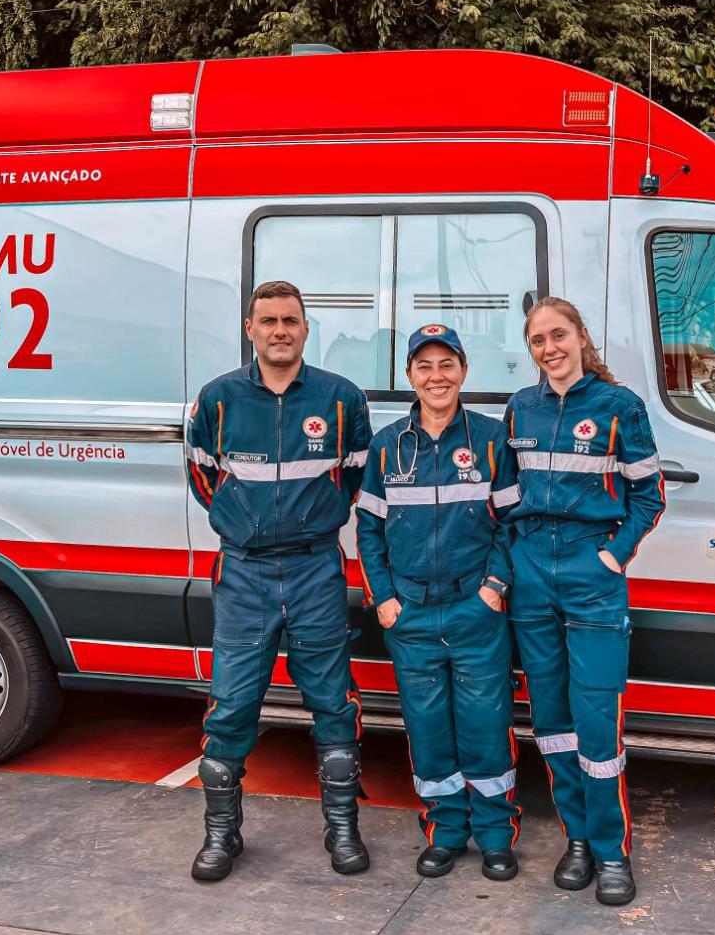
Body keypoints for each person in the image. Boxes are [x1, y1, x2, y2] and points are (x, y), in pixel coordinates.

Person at [184, 280, 373, 882]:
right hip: (245, 571)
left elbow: (352, 479)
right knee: (232, 703)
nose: (279, 331)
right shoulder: (217, 400)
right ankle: (221, 835)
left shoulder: (342, 399)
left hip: (317, 567)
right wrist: (245, 522)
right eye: (267, 321)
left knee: (332, 703)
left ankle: (342, 830)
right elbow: (204, 476)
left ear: (306, 327)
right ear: (250, 329)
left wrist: (308, 522)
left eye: (290, 320)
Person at [503, 297, 665, 906]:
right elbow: (506, 495)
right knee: (552, 723)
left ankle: (611, 849)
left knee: (597, 720)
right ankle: (575, 839)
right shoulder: (521, 407)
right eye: (539, 339)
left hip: (591, 569)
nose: (550, 348)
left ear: (581, 336)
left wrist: (613, 556)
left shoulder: (619, 407)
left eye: (559, 334)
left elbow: (649, 496)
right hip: (530, 575)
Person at [355, 325, 523, 880]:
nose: (436, 376)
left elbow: (510, 526)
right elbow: (369, 530)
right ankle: (447, 831)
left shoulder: (492, 440)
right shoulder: (387, 446)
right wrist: (383, 598)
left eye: (446, 364)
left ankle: (496, 834)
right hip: (411, 614)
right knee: (427, 728)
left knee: (484, 723)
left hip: (475, 612)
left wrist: (493, 590)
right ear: (409, 376)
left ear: (464, 371)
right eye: (424, 366)